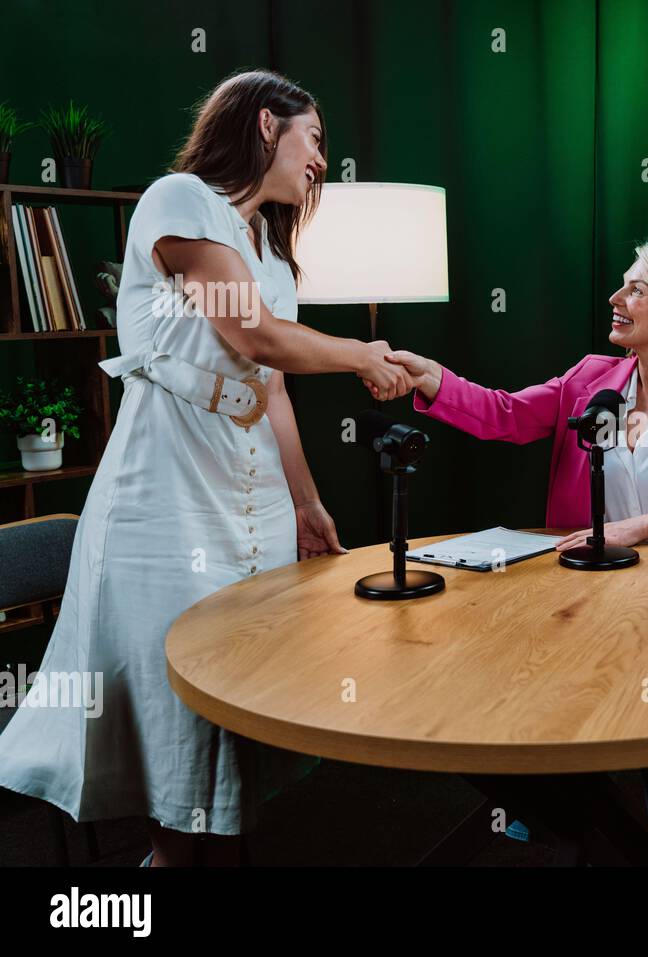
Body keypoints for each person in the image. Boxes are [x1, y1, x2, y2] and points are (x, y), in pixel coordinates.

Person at [0, 70, 413, 867]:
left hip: (247, 501)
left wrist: (306, 501)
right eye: (315, 140)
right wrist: (362, 355)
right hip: (166, 497)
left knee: (233, 720)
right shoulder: (179, 199)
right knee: (176, 719)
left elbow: (273, 386)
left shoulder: (273, 255)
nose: (323, 162)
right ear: (267, 124)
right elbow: (252, 336)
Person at [385, 239, 648, 865]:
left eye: (636, 289)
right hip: (576, 592)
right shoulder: (591, 378)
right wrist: (432, 377)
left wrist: (643, 527)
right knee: (533, 693)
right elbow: (505, 415)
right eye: (622, 286)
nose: (617, 299)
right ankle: (555, 819)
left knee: (647, 718)